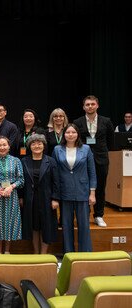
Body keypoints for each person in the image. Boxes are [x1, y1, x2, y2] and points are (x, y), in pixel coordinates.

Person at [52, 124, 96, 253]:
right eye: (68, 132)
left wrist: (92, 193)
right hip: (65, 191)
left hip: (82, 191)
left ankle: (85, 254)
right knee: (66, 226)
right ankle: (68, 253)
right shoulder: (57, 149)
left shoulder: (86, 149)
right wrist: (55, 194)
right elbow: (54, 172)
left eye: (73, 132)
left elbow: (92, 172)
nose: (70, 134)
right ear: (64, 134)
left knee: (84, 226)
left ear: (77, 134)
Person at [73, 95, 114, 227]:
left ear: (97, 105)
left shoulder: (106, 121)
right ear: (83, 107)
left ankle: (99, 215)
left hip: (101, 158)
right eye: (87, 104)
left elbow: (111, 141)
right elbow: (76, 140)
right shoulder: (78, 122)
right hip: (83, 159)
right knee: (84, 187)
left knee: (100, 187)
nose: (90, 106)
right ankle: (84, 215)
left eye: (92, 104)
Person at [19, 134, 59, 254]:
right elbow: (21, 181)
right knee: (34, 227)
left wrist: (55, 199)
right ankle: (36, 253)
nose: (37, 146)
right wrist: (21, 197)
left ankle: (44, 254)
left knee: (46, 227)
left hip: (46, 199)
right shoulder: (24, 161)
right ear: (29, 146)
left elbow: (56, 181)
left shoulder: (50, 161)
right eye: (33, 143)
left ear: (44, 145)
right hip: (30, 199)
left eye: (39, 143)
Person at [0, 136, 24, 254]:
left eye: (4, 145)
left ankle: (7, 251)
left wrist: (11, 187)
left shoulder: (16, 160)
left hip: (11, 195)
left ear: (9, 147)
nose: (2, 147)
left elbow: (21, 180)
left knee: (9, 222)